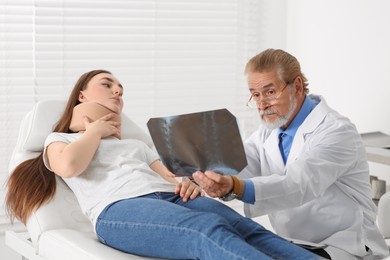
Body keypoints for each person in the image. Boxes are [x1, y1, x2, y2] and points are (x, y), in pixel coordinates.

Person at [6, 69, 317, 260]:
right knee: (204, 230)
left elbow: (169, 176)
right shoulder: (59, 139)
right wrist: (95, 131)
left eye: (121, 90)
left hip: (171, 199)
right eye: (107, 84)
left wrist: (185, 183)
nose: (117, 91)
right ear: (82, 94)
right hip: (119, 210)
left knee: (245, 228)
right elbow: (69, 167)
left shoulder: (135, 143)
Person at [192, 49, 389, 259]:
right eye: (255, 95)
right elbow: (241, 162)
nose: (261, 105)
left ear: (296, 86)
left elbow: (299, 184)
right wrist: (202, 176)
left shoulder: (337, 131)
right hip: (293, 242)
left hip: (343, 245)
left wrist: (235, 186)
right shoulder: (269, 131)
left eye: (270, 92)